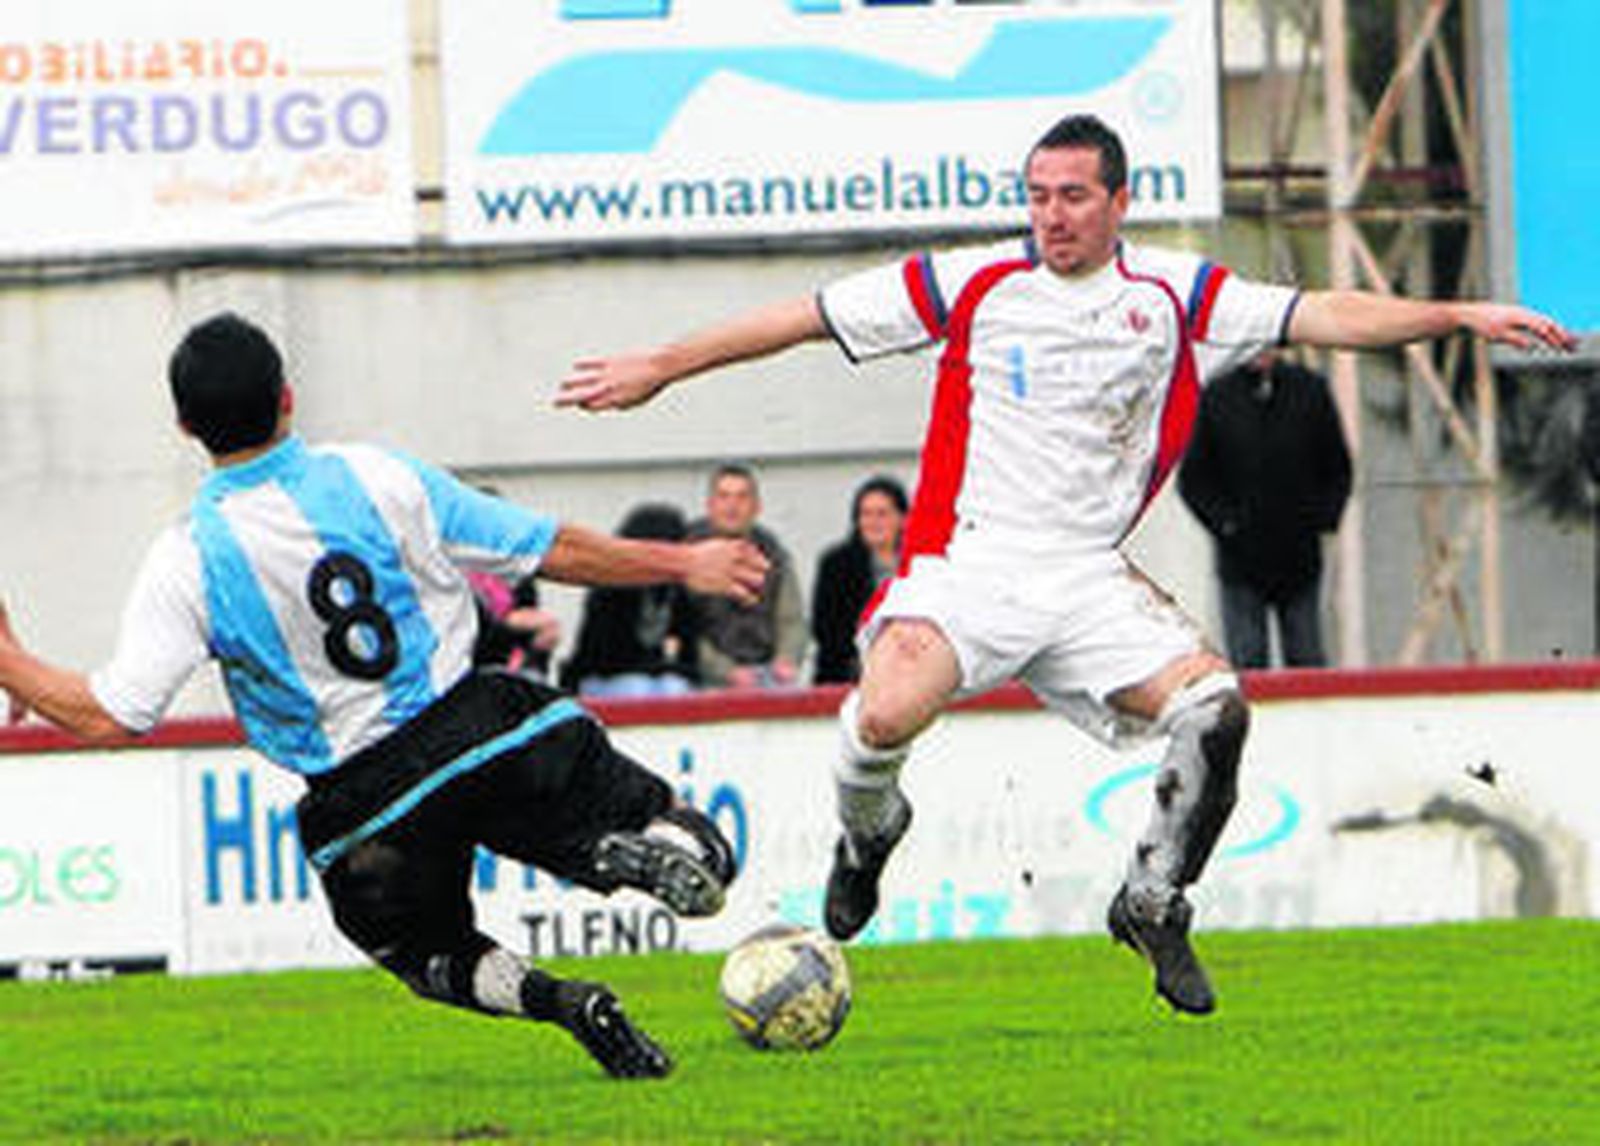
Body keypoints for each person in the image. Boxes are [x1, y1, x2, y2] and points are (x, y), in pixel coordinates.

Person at [556, 113, 1574, 1016]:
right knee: (881, 717)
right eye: (1038, 196)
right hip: (968, 564)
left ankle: (1150, 898)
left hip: (1089, 576)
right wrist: (659, 366)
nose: (1051, 215)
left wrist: (1454, 316)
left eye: (1073, 196)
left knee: (1216, 708)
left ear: (1118, 202)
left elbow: (1323, 314)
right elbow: (804, 317)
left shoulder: (1174, 290)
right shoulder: (976, 281)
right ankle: (867, 836)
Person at [0, 313, 770, 1078]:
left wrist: (11, 662)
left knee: (425, 952)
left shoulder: (186, 558)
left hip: (363, 808)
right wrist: (682, 560)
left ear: (183, 425)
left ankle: (565, 1002)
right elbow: (546, 546)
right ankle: (622, 844)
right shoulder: (378, 475)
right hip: (483, 728)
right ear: (288, 397)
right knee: (644, 815)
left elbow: (109, 714)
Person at [1178, 351, 1353, 668]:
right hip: (1240, 560)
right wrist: (1226, 525)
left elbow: (1337, 466)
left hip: (1299, 555)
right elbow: (1194, 480)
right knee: (1248, 658)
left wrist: (1323, 519)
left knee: (1306, 657)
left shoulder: (1309, 390)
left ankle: (1312, 719)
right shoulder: (1218, 396)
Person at [560, 502, 701, 697]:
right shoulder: (610, 590)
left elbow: (689, 655)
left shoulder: (676, 593)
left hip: (656, 677)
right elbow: (601, 658)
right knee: (637, 688)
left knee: (676, 688)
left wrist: (672, 668)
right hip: (605, 677)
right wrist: (655, 666)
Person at [685, 464, 807, 689]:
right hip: (701, 677)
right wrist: (727, 671)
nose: (732, 506)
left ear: (757, 507)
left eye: (742, 497)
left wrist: (786, 659)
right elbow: (683, 633)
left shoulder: (774, 554)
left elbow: (792, 620)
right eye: (724, 497)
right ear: (710, 505)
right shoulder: (687, 553)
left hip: (766, 671)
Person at [811, 475, 909, 685]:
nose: (873, 522)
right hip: (848, 675)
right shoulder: (835, 565)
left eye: (882, 514)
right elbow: (827, 632)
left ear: (903, 519)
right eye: (865, 514)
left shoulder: (922, 566)